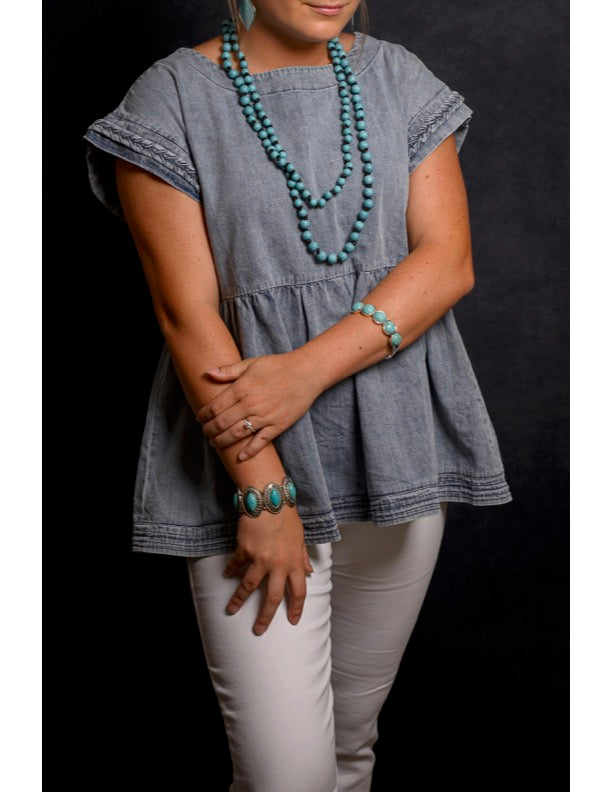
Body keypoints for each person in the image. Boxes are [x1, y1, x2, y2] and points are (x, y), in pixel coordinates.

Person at [82, 1, 512, 789]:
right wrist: (265, 496)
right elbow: (187, 315)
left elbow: (447, 262)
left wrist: (304, 370)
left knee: (350, 745)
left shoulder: (398, 77)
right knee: (288, 778)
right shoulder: (170, 97)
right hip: (247, 468)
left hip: (398, 450)